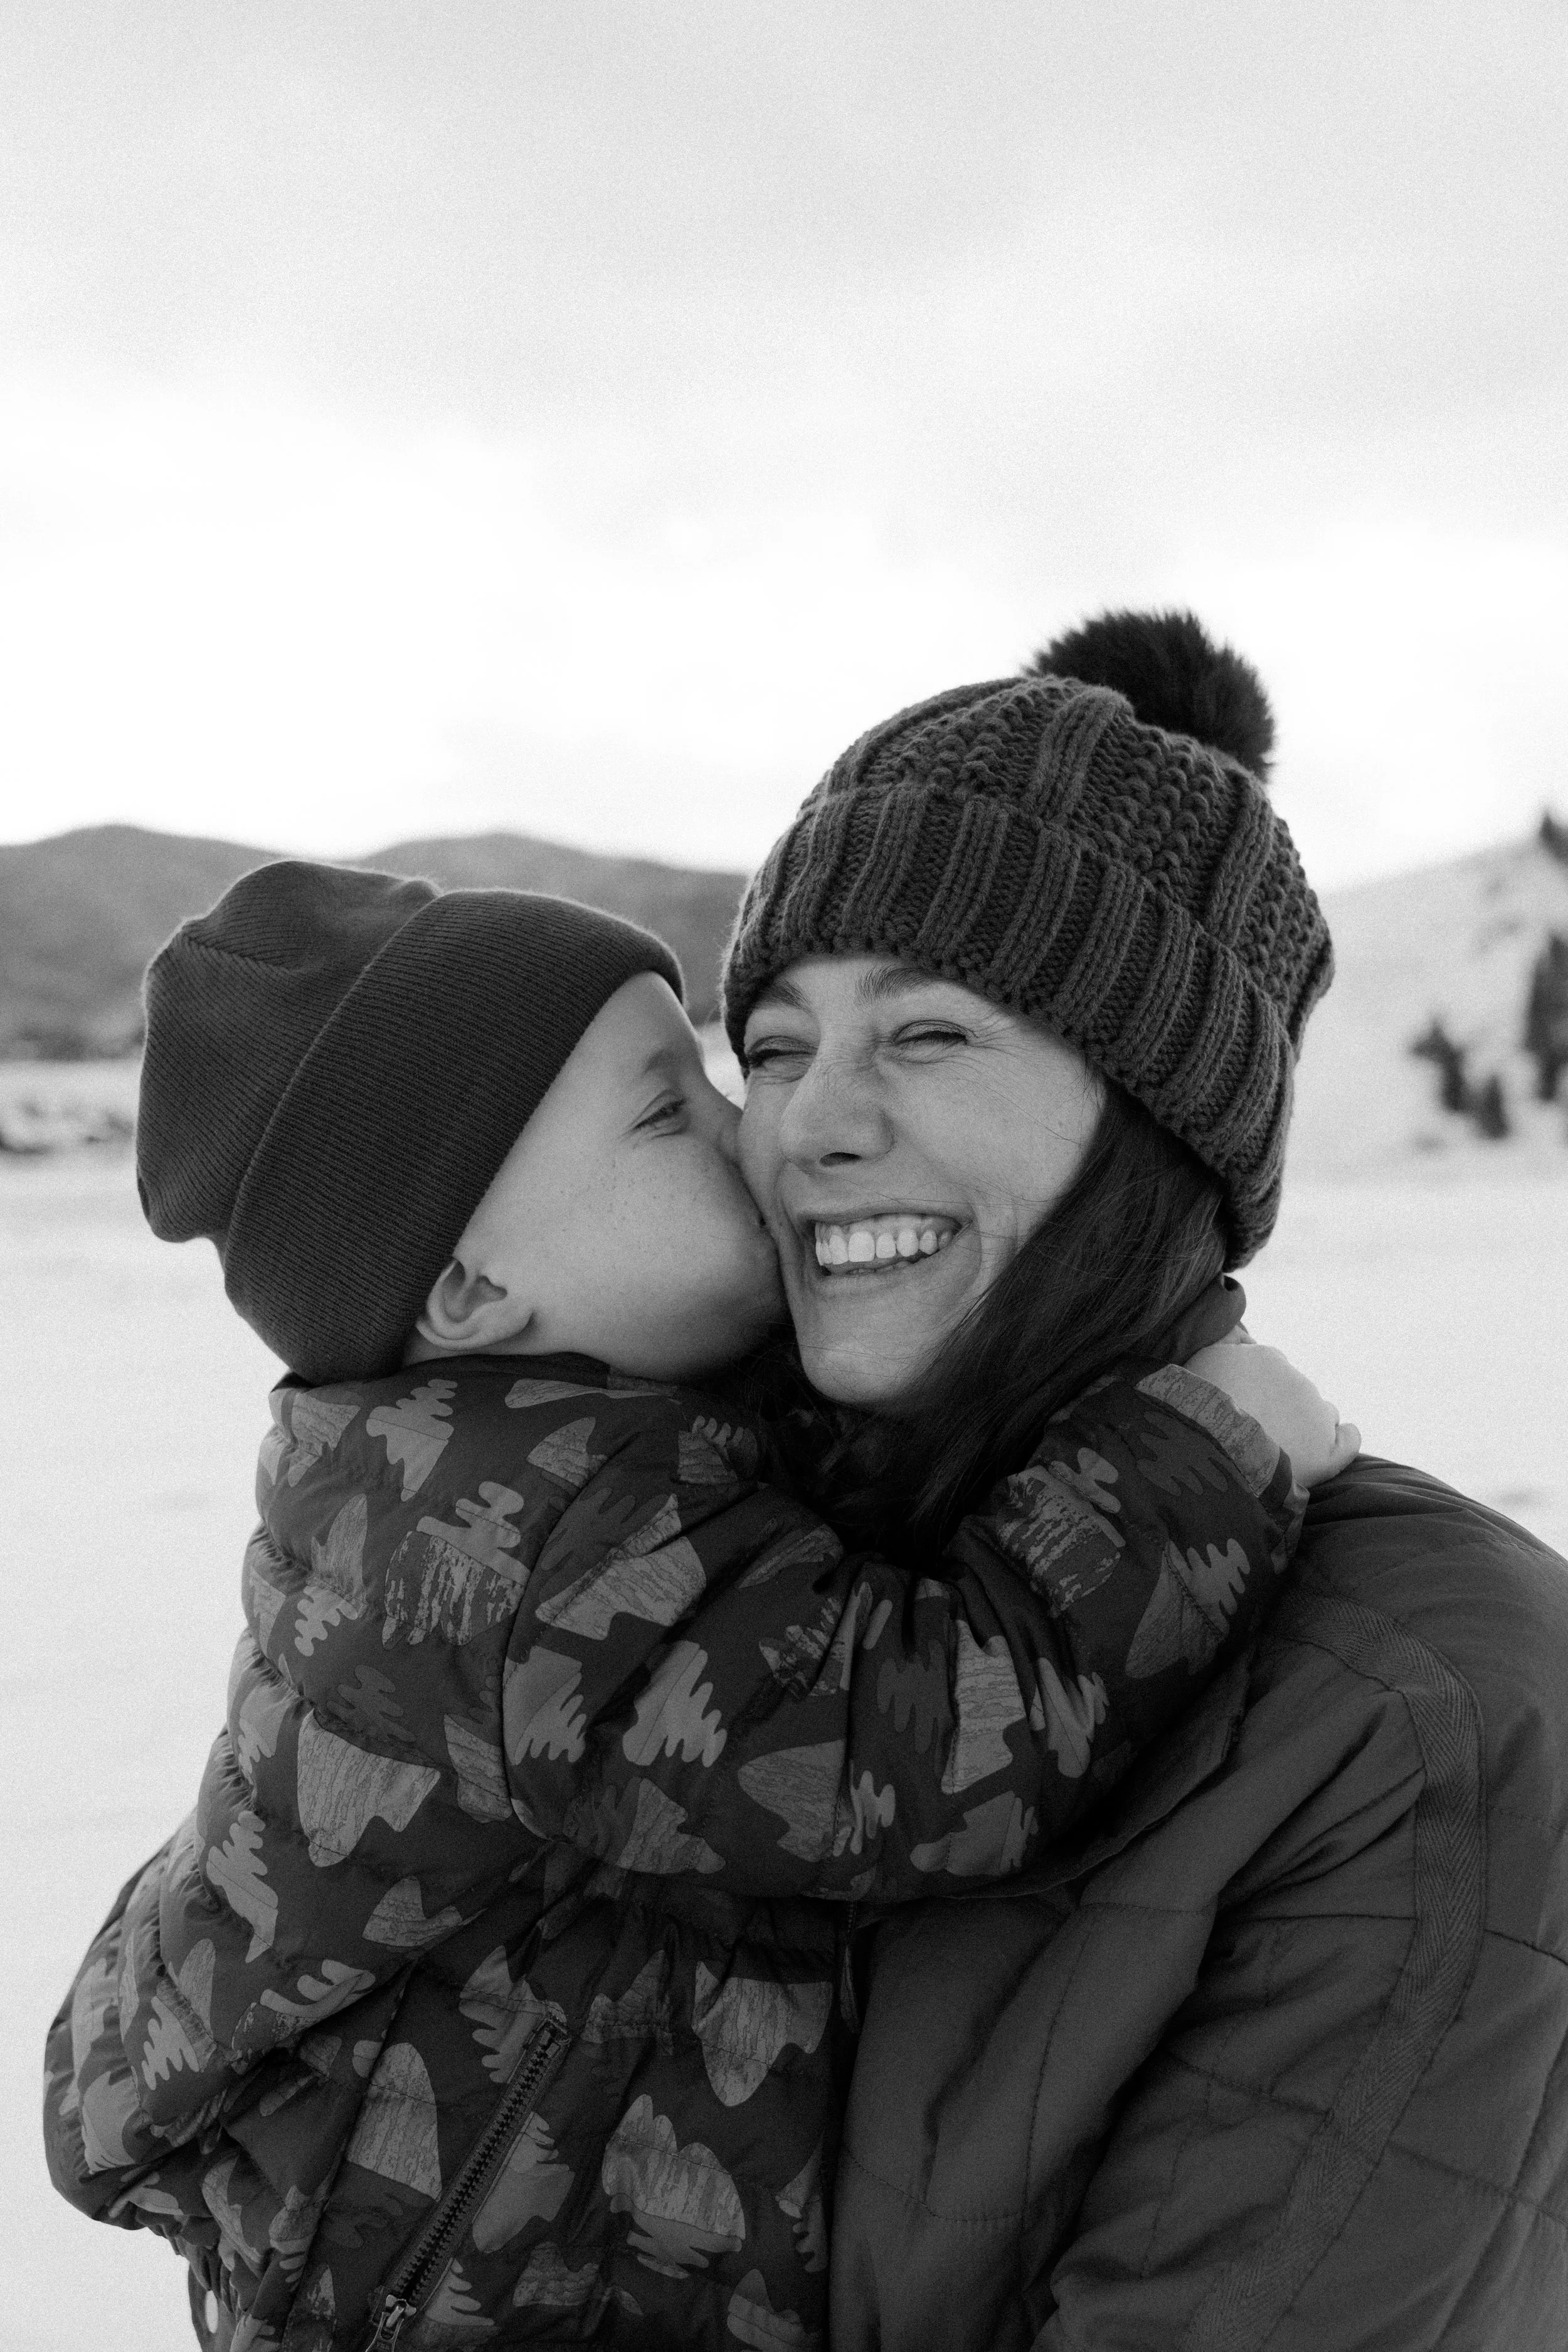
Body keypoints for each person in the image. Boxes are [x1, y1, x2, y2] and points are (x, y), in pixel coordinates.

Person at [42, 860, 1343, 2351]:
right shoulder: (529, 1546)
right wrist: (1196, 1459)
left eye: (719, 1075)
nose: (753, 1133)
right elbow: (905, 1749)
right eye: (667, 1114)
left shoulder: (529, 1455)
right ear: (468, 1291)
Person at [721, 608, 1568, 2350]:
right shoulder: (697, 1575)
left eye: (928, 1034)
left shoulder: (1417, 1705)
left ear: (1158, 1118)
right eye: (777, 1045)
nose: (809, 1123)